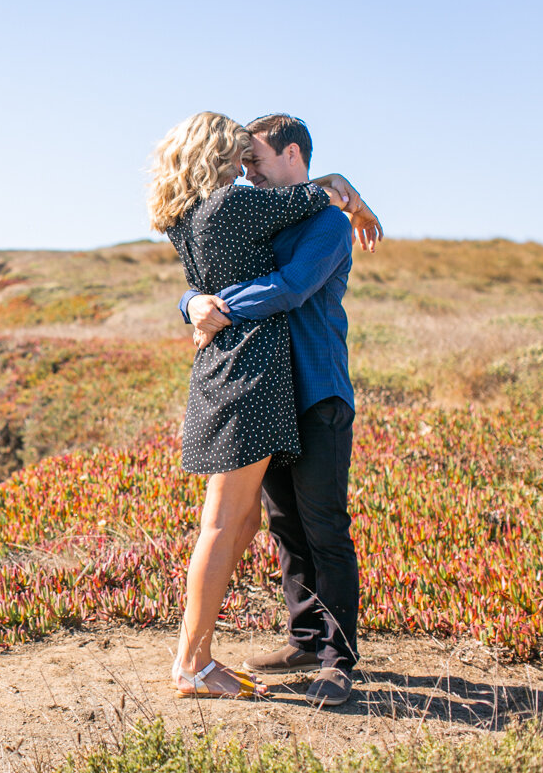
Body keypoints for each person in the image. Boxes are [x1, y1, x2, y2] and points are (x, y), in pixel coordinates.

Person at [147, 111, 368, 700]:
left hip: (313, 387)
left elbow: (293, 285)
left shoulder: (322, 221)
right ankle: (298, 638)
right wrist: (194, 303)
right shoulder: (259, 207)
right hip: (265, 387)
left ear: (293, 155)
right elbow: (213, 263)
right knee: (279, 525)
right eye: (240, 161)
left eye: (257, 160)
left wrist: (218, 307)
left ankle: (336, 659)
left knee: (322, 527)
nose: (247, 171)